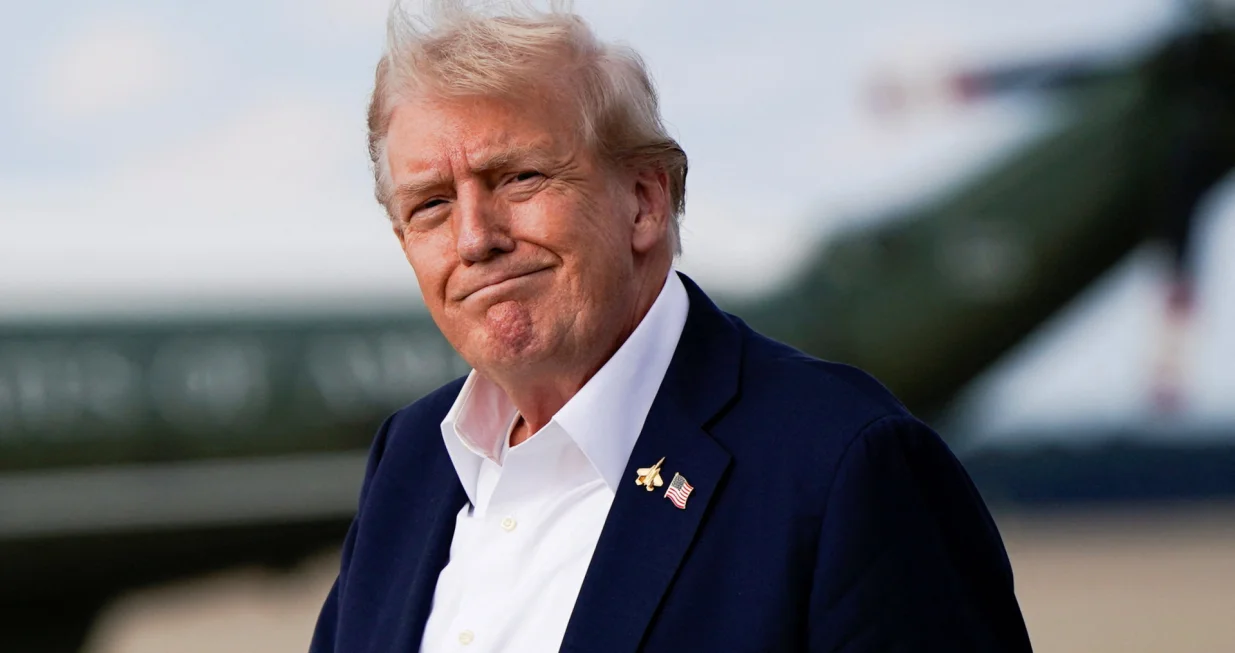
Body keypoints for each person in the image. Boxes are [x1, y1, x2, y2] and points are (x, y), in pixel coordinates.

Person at [310, 2, 1033, 652]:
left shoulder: (842, 465)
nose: (474, 238)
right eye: (431, 204)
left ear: (645, 202)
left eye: (518, 178)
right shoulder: (411, 460)